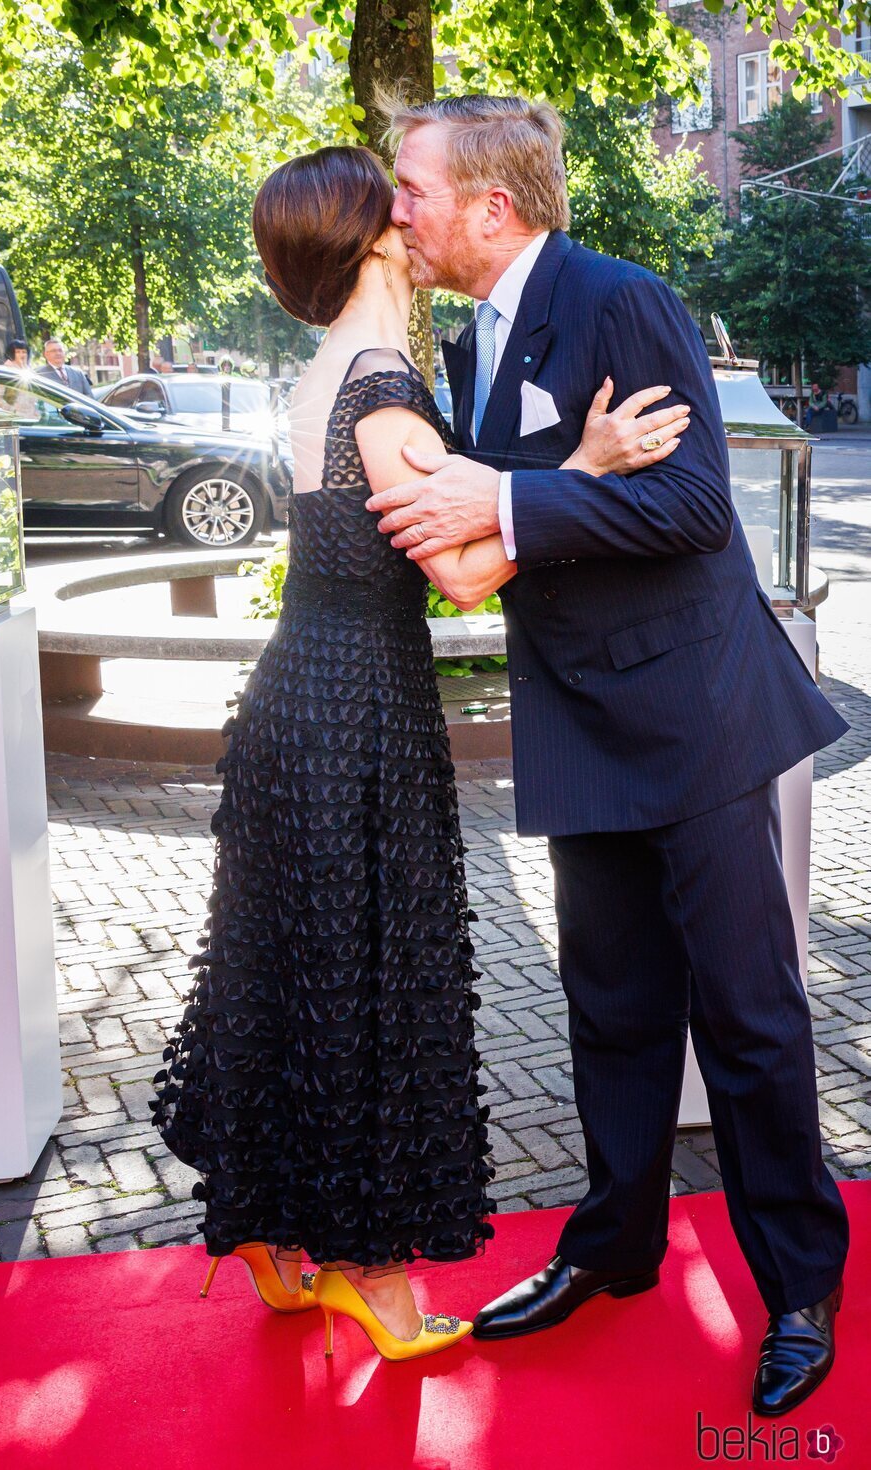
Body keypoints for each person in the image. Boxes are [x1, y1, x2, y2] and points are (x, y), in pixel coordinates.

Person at [149, 144, 684, 1364]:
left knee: (293, 963)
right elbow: (454, 572)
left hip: (304, 695)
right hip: (356, 710)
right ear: (376, 237)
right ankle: (376, 1283)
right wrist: (587, 470)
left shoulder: (330, 366)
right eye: (391, 198)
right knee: (365, 984)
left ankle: (278, 1246)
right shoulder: (383, 385)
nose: (411, 208)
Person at [364, 93, 848, 1414]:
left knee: (748, 1016)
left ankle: (801, 1281)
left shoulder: (624, 299)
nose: (394, 208)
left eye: (409, 187)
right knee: (613, 1011)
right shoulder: (464, 347)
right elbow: (503, 547)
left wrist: (509, 491)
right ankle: (613, 1246)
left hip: (694, 718)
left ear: (489, 205)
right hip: (577, 720)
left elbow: (694, 507)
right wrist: (540, 482)